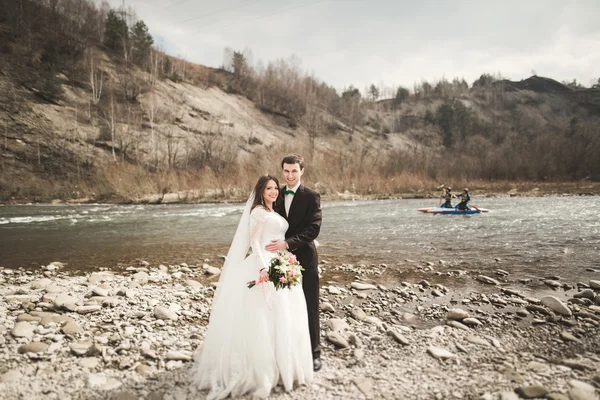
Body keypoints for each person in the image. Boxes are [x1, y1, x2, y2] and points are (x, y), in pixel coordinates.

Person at [191, 175, 313, 399]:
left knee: (286, 314)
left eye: (276, 188)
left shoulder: (273, 212)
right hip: (266, 263)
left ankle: (284, 365)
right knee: (263, 317)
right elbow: (255, 242)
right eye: (269, 188)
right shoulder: (257, 211)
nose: (274, 192)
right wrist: (263, 267)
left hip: (283, 262)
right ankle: (261, 369)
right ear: (261, 190)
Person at [265, 154, 323, 372]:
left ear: (302, 172)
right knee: (282, 305)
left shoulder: (312, 196)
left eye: (294, 171)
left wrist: (287, 244)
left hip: (305, 257)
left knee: (310, 304)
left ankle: (314, 353)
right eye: (286, 171)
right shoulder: (274, 193)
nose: (290, 175)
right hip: (278, 259)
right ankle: (285, 350)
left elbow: (313, 229)